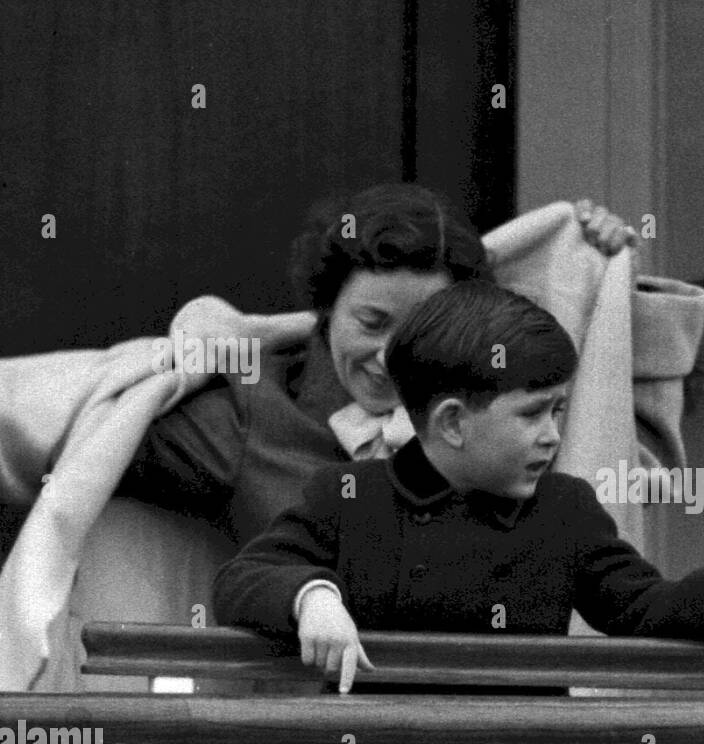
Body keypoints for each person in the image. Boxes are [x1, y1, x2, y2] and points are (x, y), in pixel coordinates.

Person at [213, 280, 704, 694]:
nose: (551, 435)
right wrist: (314, 600)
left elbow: (643, 606)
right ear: (453, 421)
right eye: (532, 414)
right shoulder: (350, 496)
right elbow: (243, 580)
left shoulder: (564, 509)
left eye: (558, 412)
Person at [114, 184, 636, 548]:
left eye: (422, 327)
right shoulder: (250, 411)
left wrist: (607, 279)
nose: (391, 356)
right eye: (371, 322)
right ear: (325, 311)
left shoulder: (505, 406)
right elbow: (78, 443)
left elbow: (626, 458)